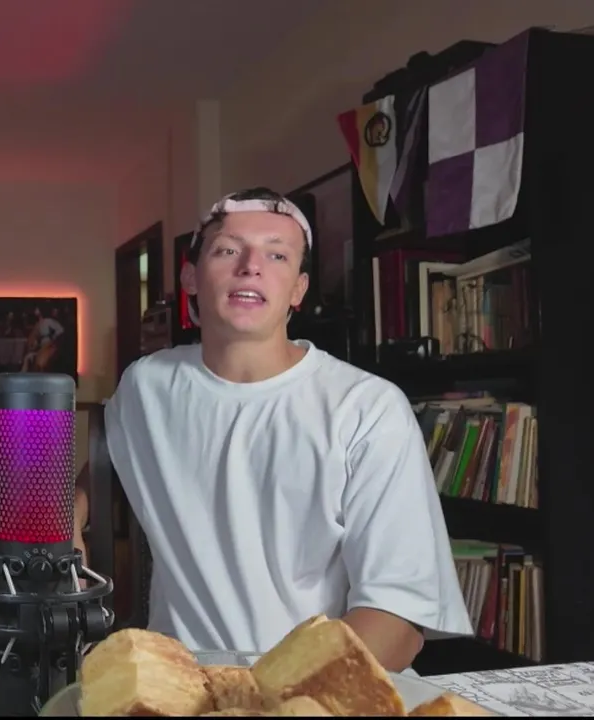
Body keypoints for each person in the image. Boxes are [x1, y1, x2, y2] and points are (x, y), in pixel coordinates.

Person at [73, 187, 472, 672]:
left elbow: (398, 621)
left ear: (298, 289)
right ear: (190, 276)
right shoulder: (147, 385)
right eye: (228, 250)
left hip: (325, 692)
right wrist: (70, 515)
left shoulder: (366, 408)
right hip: (185, 686)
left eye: (277, 255)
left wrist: (276, 697)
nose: (251, 267)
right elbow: (107, 461)